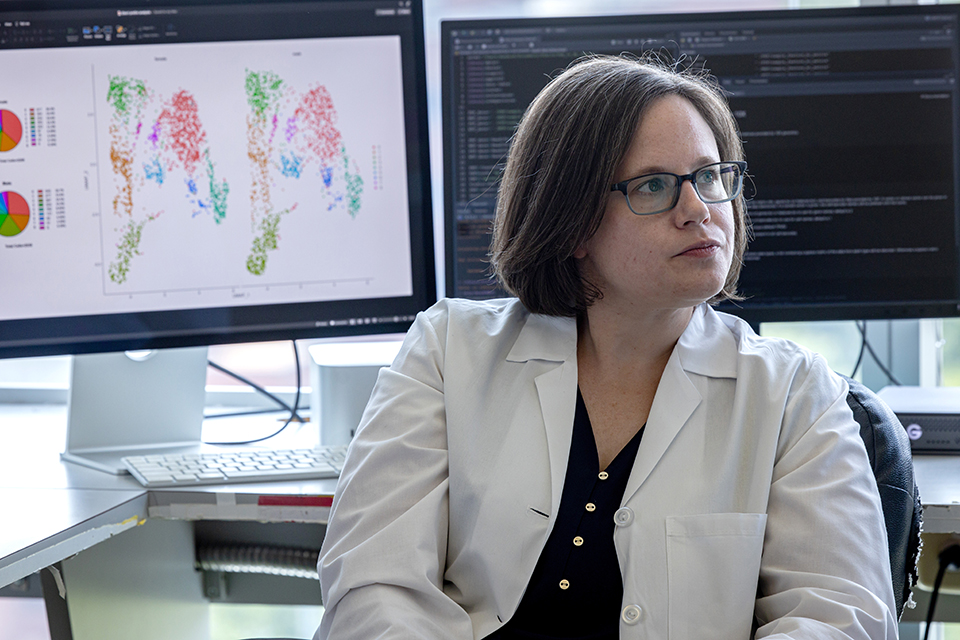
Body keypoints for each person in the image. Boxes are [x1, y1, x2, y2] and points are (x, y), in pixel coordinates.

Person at [315, 54, 898, 639]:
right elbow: (375, 587)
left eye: (711, 176)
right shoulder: (448, 353)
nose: (699, 210)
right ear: (570, 225)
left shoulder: (796, 397)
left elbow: (837, 619)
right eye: (653, 186)